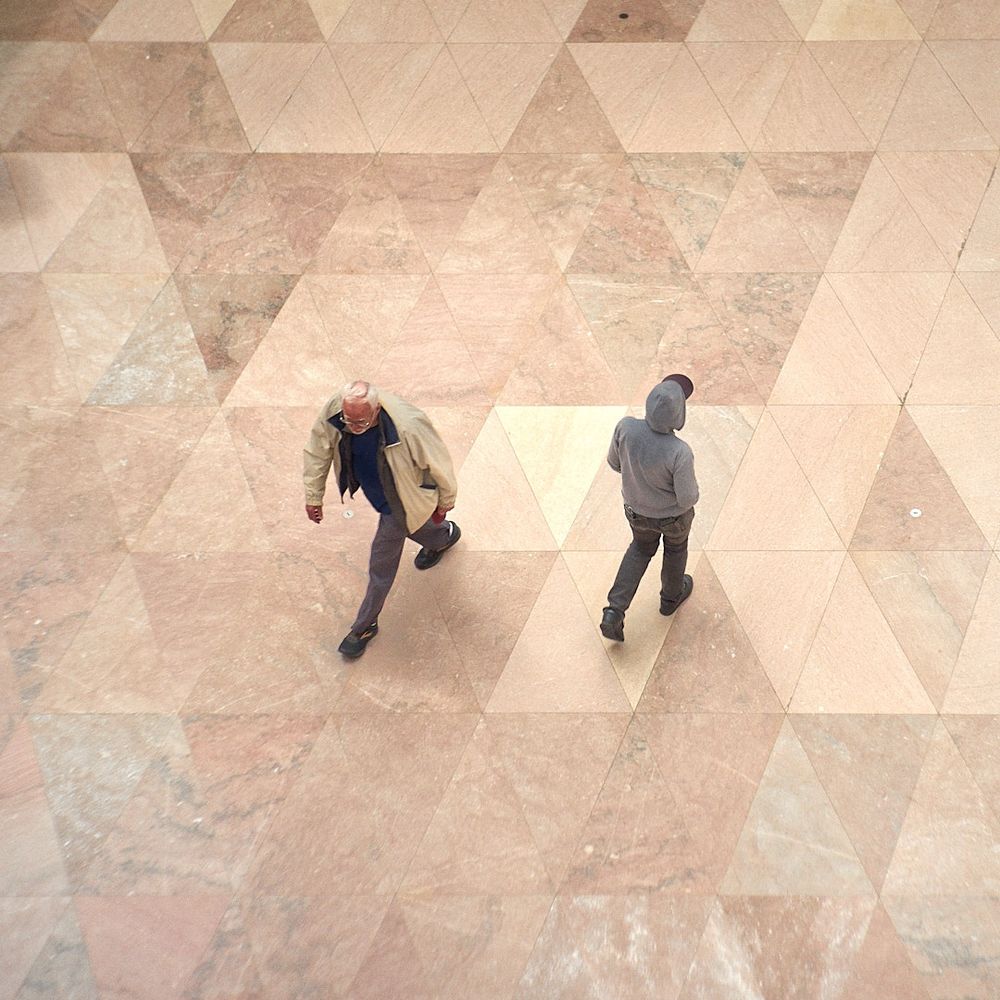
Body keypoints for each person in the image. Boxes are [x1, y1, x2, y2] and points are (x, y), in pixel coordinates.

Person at [303, 381, 461, 658]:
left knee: (381, 564)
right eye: (347, 420)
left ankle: (364, 626)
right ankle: (443, 536)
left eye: (360, 421)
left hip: (400, 501)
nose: (352, 427)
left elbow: (440, 463)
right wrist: (313, 495)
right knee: (419, 528)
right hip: (379, 493)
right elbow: (319, 448)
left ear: (376, 410)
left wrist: (445, 501)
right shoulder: (337, 410)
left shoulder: (409, 425)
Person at [600, 374, 699, 643]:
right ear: (679, 416)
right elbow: (688, 497)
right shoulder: (680, 452)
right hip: (672, 518)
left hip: (635, 512)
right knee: (676, 549)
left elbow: (614, 463)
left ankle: (614, 610)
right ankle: (670, 597)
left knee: (640, 549)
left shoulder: (625, 427)